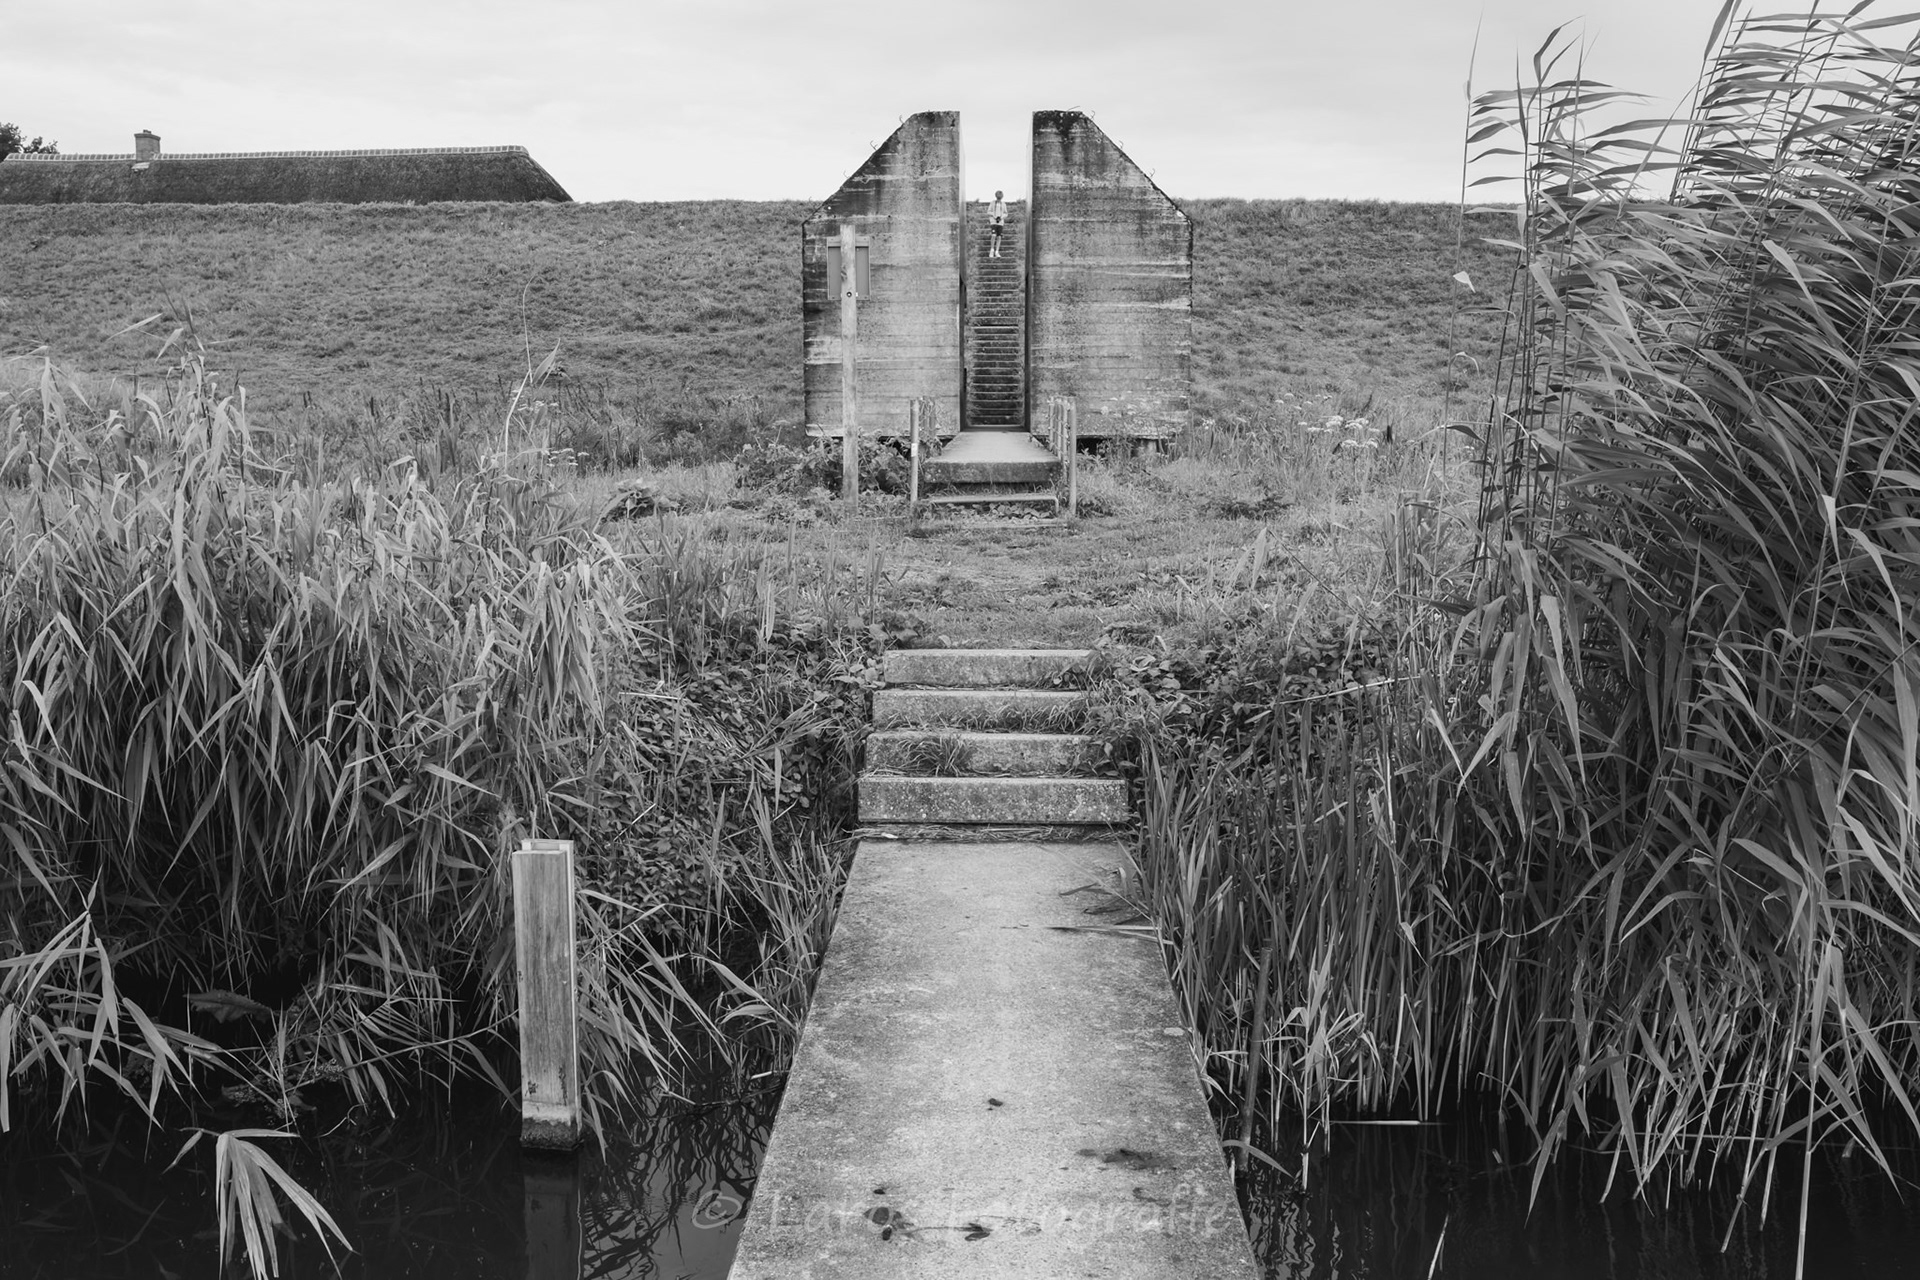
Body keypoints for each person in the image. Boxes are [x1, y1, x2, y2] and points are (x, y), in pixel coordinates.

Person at [987, 190, 1008, 258]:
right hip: (993, 222)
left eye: (1000, 198)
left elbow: (1006, 213)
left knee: (999, 237)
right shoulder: (992, 203)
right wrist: (994, 216)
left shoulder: (1003, 204)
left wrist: (1001, 217)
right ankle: (992, 250)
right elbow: (988, 212)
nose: (999, 199)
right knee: (993, 235)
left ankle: (997, 251)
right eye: (998, 197)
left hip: (1000, 223)